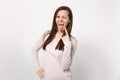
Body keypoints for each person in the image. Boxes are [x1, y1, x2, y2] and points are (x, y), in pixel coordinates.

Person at [32, 6, 77, 80]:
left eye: (64, 17)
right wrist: (37, 68)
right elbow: (33, 49)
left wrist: (67, 43)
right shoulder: (47, 35)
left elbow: (65, 66)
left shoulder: (72, 41)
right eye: (58, 16)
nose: (60, 20)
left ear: (69, 20)